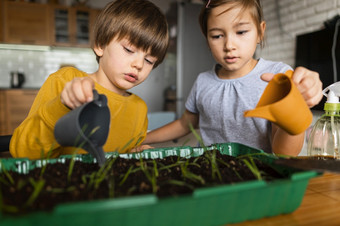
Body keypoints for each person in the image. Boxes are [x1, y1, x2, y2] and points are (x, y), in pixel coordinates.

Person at [142, 0, 323, 156]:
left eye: (241, 32)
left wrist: (293, 109)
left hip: (254, 178)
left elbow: (284, 153)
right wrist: (142, 137)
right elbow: (185, 123)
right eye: (217, 36)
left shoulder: (278, 76)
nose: (229, 45)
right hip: (208, 174)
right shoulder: (203, 81)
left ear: (260, 32)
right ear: (207, 40)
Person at [9, 0, 169, 159]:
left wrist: (135, 154)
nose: (139, 64)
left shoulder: (139, 109)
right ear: (100, 45)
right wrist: (61, 105)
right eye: (129, 50)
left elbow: (122, 158)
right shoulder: (65, 81)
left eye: (149, 61)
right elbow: (23, 153)